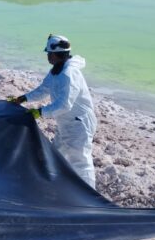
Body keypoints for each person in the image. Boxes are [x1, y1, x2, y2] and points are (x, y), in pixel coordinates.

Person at [9, 34, 97, 187]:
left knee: (81, 161)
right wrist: (23, 98)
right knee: (57, 153)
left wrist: (40, 112)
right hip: (65, 122)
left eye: (49, 53)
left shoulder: (69, 74)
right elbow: (44, 89)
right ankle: (56, 185)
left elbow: (64, 105)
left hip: (78, 123)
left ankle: (90, 196)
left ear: (57, 54)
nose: (48, 57)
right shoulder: (57, 70)